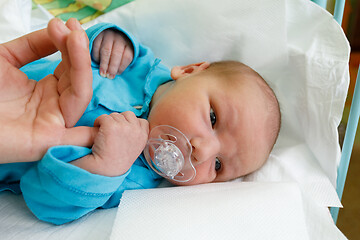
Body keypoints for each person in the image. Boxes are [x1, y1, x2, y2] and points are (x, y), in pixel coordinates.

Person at [0, 18, 281, 224]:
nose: (203, 152)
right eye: (212, 117)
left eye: (218, 166)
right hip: (11, 76)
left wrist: (106, 166)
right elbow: (79, 48)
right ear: (188, 70)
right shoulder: (139, 64)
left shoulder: (133, 179)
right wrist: (107, 39)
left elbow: (43, 200)